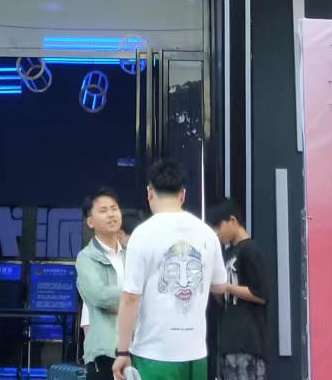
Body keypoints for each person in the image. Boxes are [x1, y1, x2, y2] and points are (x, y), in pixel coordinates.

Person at [113, 159, 228, 380]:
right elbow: (219, 287)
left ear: (150, 193)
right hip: (196, 355)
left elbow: (130, 298)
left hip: (154, 355)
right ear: (182, 195)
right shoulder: (207, 233)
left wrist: (123, 352)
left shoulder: (142, 234)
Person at [207, 200, 271, 380]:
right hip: (229, 343)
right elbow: (224, 299)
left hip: (248, 343)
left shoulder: (251, 250)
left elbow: (260, 295)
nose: (217, 232)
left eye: (218, 226)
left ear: (232, 220)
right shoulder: (227, 254)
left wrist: (227, 286)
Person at [77, 188, 128, 379]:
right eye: (103, 210)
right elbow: (100, 296)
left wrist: (122, 303)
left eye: (114, 208)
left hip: (135, 350)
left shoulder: (131, 255)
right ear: (90, 222)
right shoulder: (86, 258)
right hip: (104, 353)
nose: (111, 214)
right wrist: (133, 300)